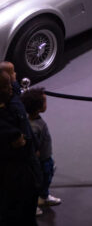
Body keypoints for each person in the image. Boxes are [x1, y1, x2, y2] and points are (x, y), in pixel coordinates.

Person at [0, 70, 38, 226]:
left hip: (28, 168)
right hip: (11, 175)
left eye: (10, 84)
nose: (11, 88)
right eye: (5, 86)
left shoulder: (13, 100)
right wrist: (13, 138)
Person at [20, 87, 61, 216]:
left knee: (47, 178)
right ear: (38, 108)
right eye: (45, 102)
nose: (46, 104)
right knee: (37, 183)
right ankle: (33, 205)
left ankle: (44, 197)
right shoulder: (33, 126)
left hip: (46, 157)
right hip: (40, 161)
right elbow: (32, 147)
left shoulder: (36, 120)